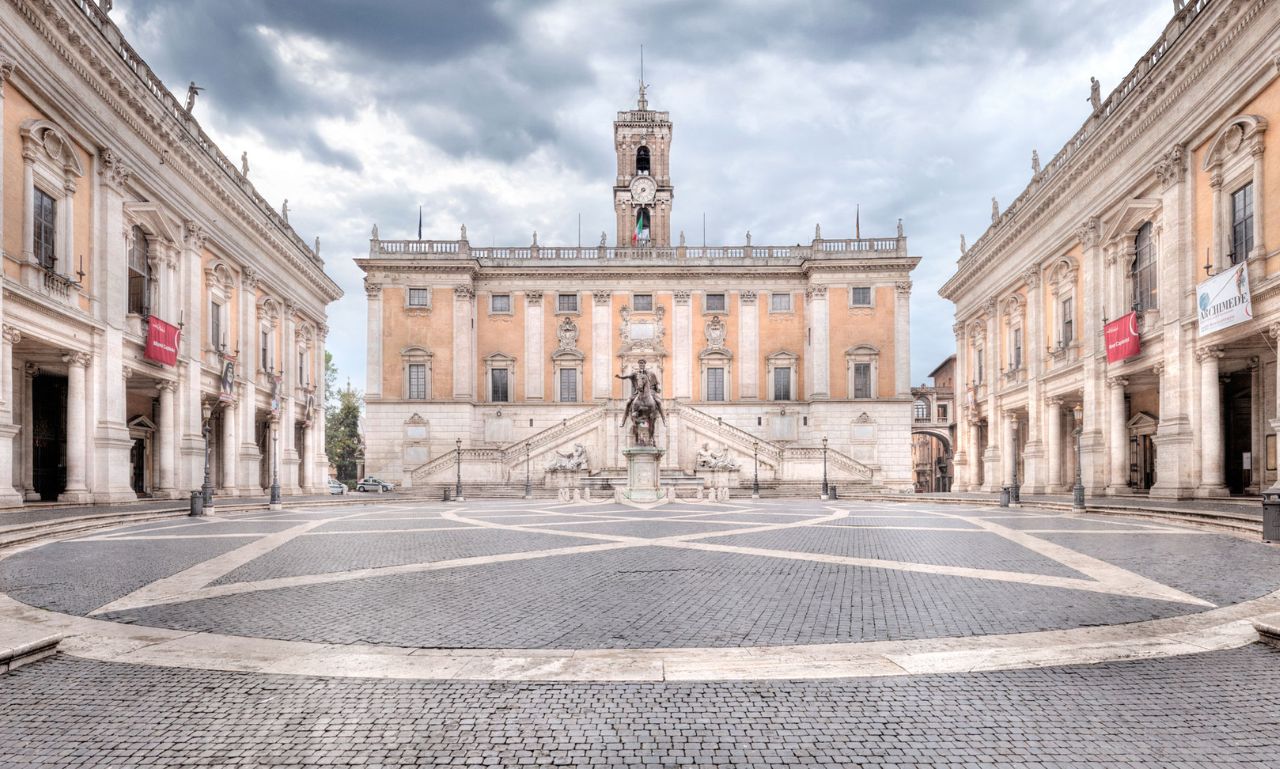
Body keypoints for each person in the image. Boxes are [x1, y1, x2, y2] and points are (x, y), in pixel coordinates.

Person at [617, 359, 663, 429]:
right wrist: (620, 377)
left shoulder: (651, 373)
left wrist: (658, 388)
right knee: (628, 402)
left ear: (645, 365)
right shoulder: (635, 373)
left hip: (651, 392)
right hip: (638, 392)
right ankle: (623, 420)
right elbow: (627, 376)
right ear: (639, 365)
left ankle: (664, 419)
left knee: (659, 402)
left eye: (643, 364)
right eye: (640, 364)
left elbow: (656, 384)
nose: (641, 365)